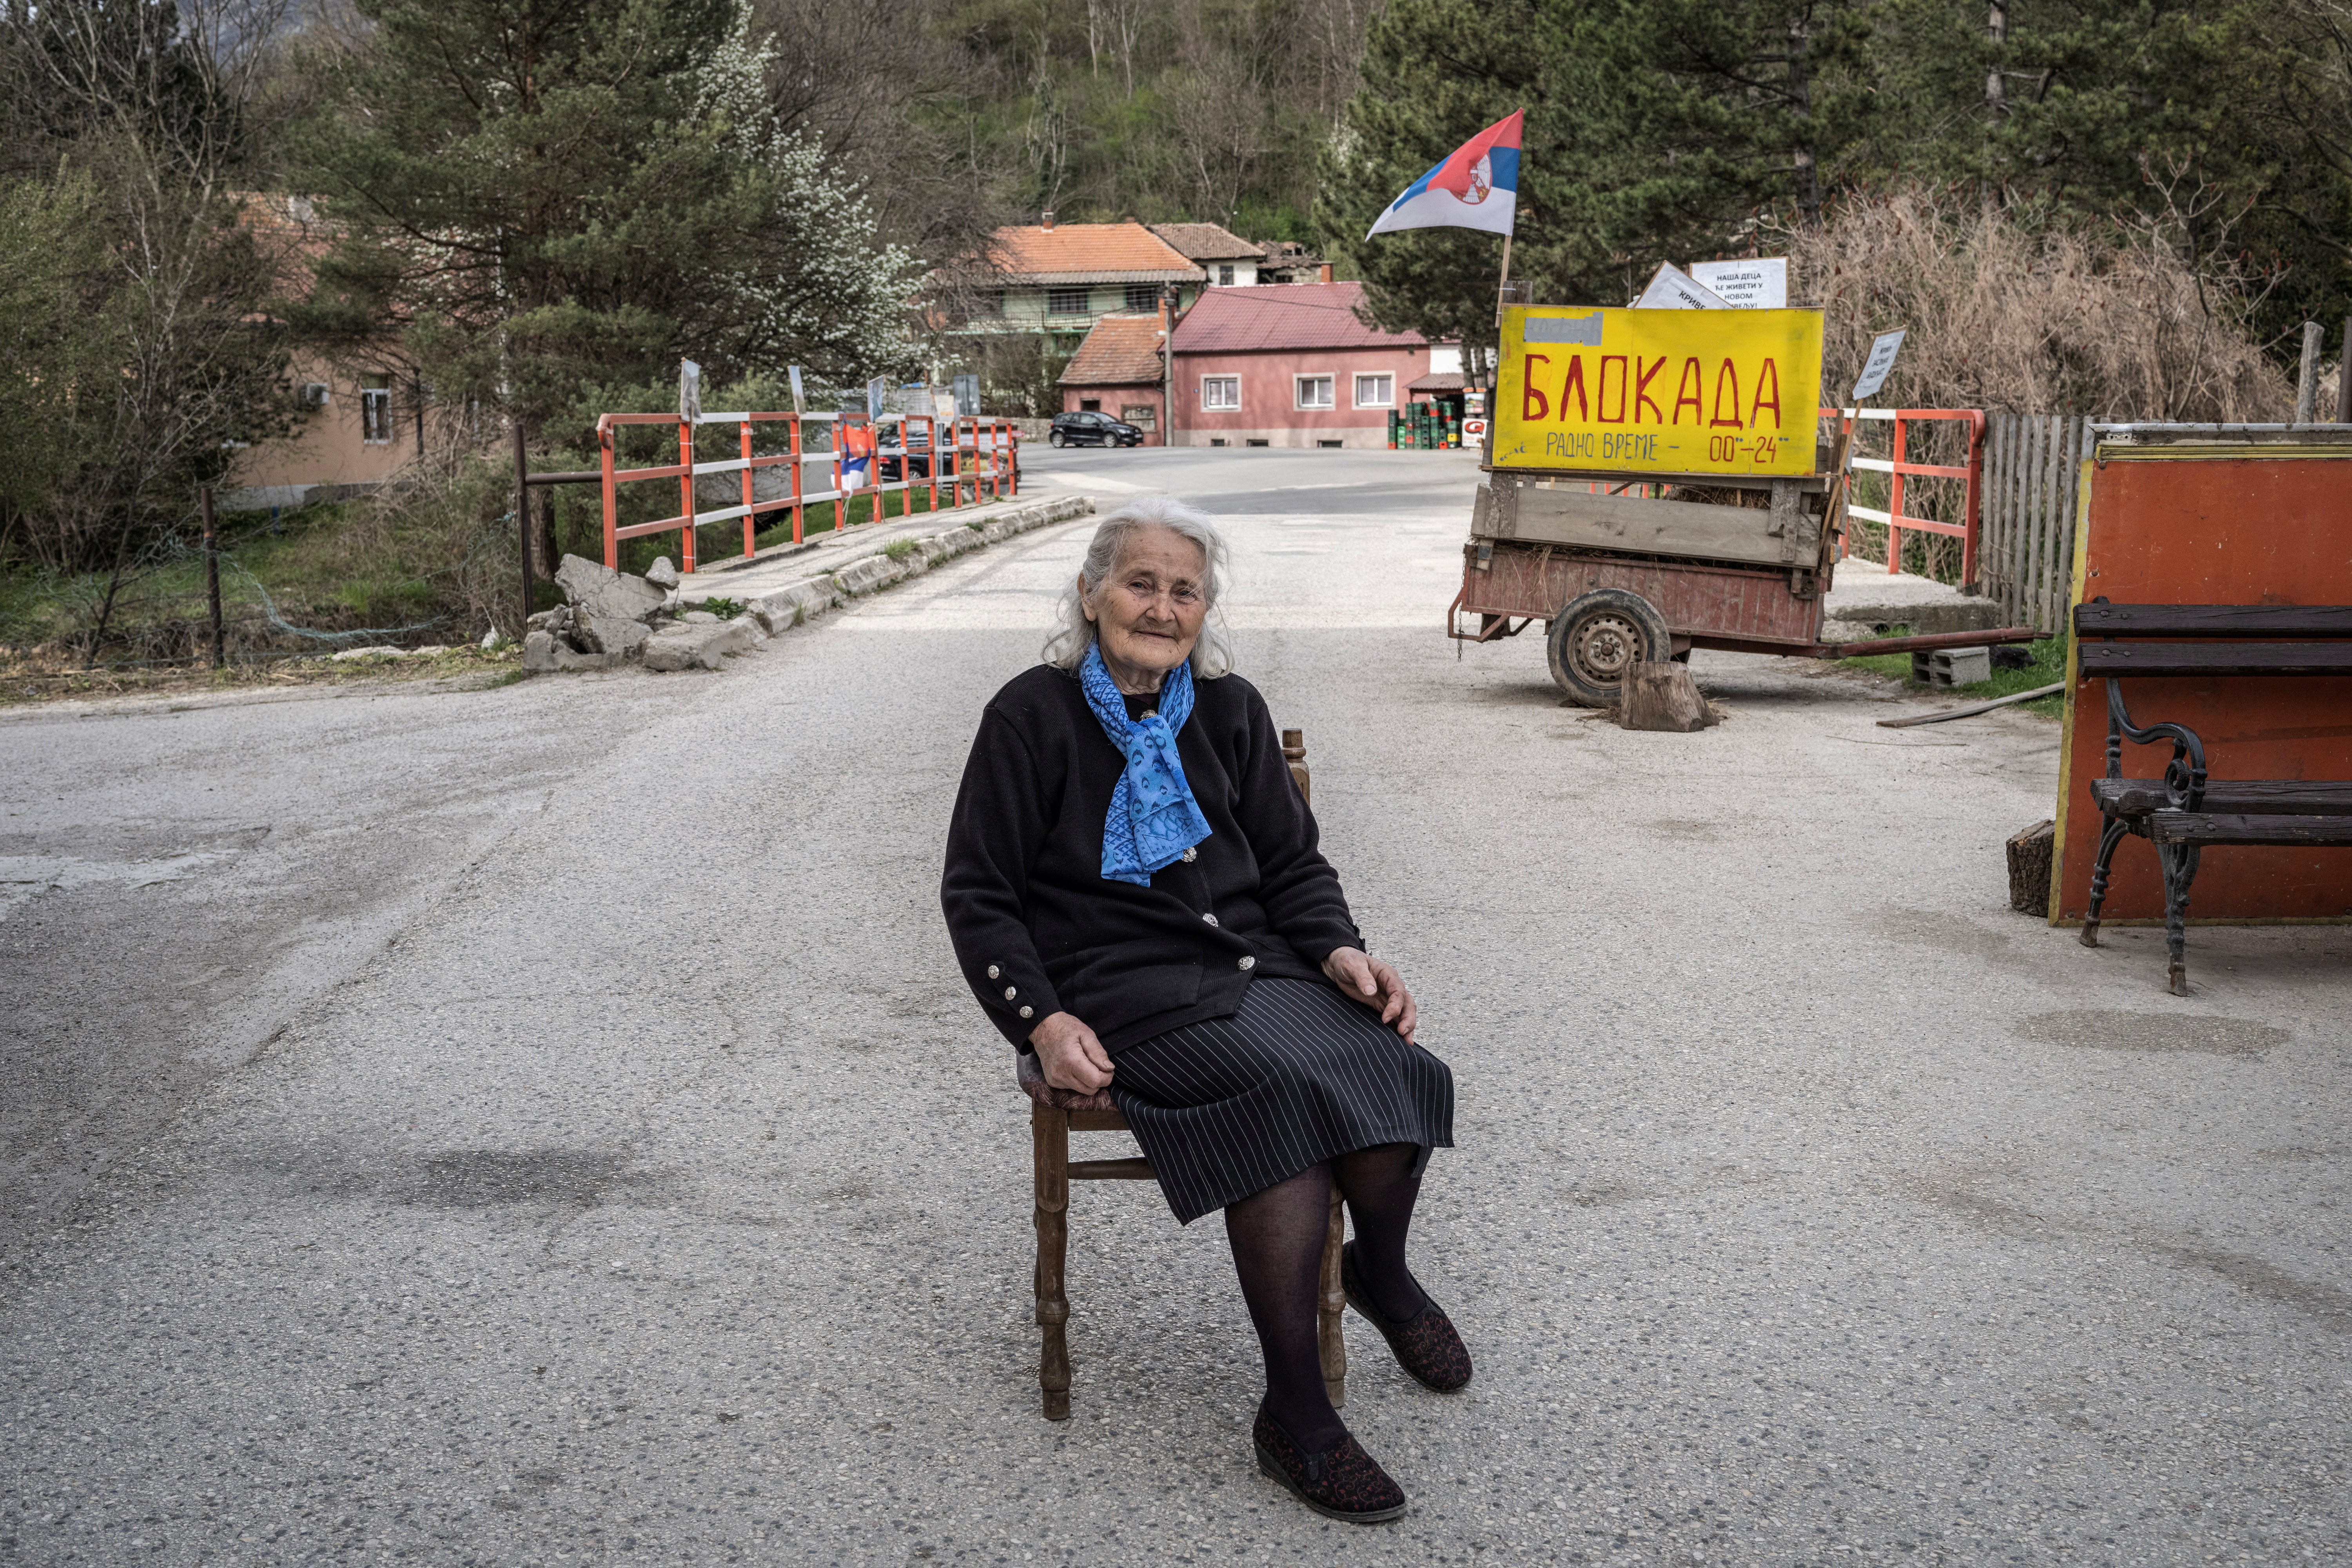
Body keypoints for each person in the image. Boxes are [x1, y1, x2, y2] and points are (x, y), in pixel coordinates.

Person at [940, 497, 1467, 1524]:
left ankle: (1381, 1274)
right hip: (1115, 987)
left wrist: (1342, 948)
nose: (1162, 607)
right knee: (1281, 1101)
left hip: (1254, 963)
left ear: (1205, 611)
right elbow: (980, 896)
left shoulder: (1230, 710)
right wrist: (1039, 1021)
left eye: (1186, 591)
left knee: (1396, 1062)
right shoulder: (1030, 715)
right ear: (1091, 595)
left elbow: (1291, 863)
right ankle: (1297, 1416)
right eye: (1141, 582)